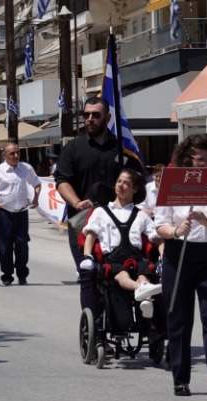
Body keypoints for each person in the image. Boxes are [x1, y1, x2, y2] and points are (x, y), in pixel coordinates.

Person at [154, 134, 207, 397]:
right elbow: (160, 224)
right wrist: (176, 231)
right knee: (179, 318)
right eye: (201, 159)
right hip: (178, 254)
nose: (206, 165)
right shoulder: (172, 181)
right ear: (188, 158)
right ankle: (181, 378)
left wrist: (205, 219)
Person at [55, 96, 142, 311]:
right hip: (83, 221)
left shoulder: (124, 149)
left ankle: (122, 318)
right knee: (89, 273)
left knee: (122, 270)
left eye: (96, 115)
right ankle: (94, 321)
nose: (90, 119)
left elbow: (139, 183)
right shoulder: (73, 149)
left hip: (120, 222)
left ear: (108, 117)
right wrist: (77, 202)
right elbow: (62, 181)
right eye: (86, 115)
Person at [80, 168, 163, 315]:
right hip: (113, 258)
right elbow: (91, 235)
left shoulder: (140, 215)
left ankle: (146, 302)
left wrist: (163, 257)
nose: (120, 185)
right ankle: (141, 290)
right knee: (122, 275)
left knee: (144, 274)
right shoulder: (100, 211)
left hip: (136, 257)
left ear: (134, 189)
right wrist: (87, 256)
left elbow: (156, 238)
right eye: (119, 181)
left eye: (126, 183)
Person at [0, 141, 41, 286]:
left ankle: (22, 274)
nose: (16, 155)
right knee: (4, 247)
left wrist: (36, 198)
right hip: (4, 214)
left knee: (22, 244)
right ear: (4, 155)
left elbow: (37, 183)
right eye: (12, 153)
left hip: (21, 213)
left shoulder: (26, 168)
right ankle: (7, 275)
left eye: (18, 152)